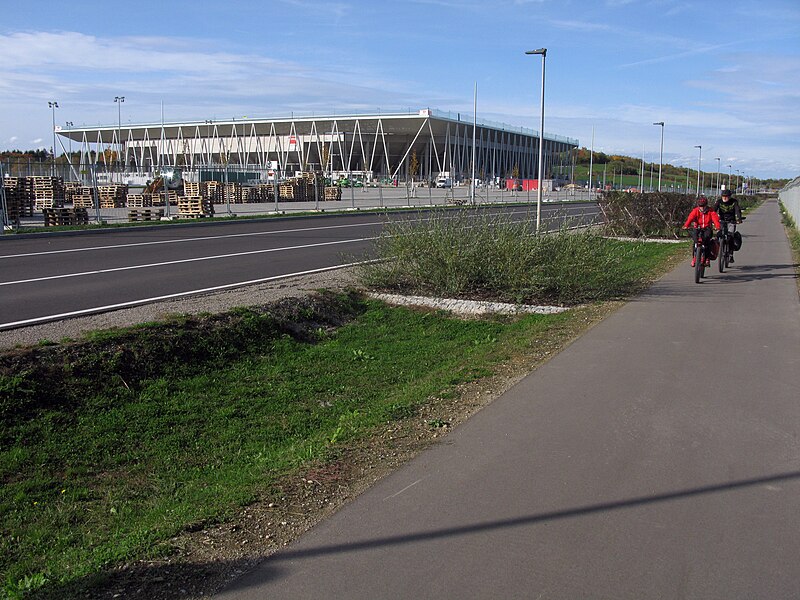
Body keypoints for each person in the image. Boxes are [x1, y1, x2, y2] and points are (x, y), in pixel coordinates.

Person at [682, 196, 721, 267]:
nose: (702, 208)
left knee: (707, 242)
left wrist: (717, 226)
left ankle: (707, 258)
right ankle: (694, 258)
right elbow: (690, 218)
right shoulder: (695, 211)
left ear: (706, 205)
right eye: (700, 206)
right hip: (697, 228)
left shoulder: (710, 211)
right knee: (695, 242)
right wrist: (686, 225)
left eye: (703, 206)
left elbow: (715, 219)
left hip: (707, 228)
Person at [714, 189, 743, 263]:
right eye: (723, 196)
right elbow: (714, 210)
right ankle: (719, 249)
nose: (724, 198)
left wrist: (738, 219)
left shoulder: (734, 202)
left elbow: (737, 210)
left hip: (731, 221)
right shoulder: (719, 202)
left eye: (726, 196)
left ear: (729, 197)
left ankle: (730, 253)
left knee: (730, 236)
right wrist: (712, 218)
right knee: (719, 235)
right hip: (722, 221)